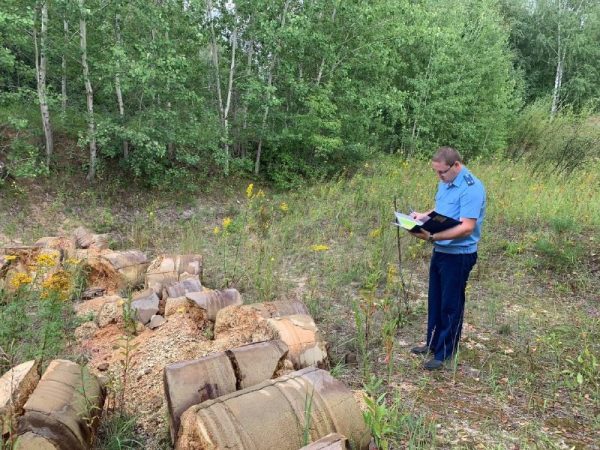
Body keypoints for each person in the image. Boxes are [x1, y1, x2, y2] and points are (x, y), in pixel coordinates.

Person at [408, 147, 486, 370]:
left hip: (459, 256)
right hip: (441, 251)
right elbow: (442, 209)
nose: (439, 177)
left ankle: (445, 353)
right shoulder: (446, 181)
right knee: (436, 300)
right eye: (436, 172)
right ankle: (432, 343)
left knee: (450, 305)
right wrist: (423, 216)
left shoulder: (472, 188)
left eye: (442, 172)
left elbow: (466, 228)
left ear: (456, 166)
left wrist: (431, 235)